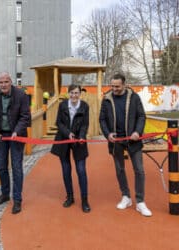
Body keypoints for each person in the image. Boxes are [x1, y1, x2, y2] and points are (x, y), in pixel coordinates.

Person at [99, 73, 152, 217]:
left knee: (139, 170)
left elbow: (141, 115)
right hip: (116, 142)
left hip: (133, 140)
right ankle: (126, 196)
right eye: (112, 86)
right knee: (119, 169)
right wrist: (108, 134)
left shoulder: (134, 97)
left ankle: (140, 201)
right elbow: (102, 119)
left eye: (117, 86)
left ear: (124, 84)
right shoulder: (106, 99)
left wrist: (137, 131)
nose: (114, 89)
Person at [0, 72, 31, 214]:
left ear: (11, 82)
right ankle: (5, 194)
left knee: (16, 167)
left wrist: (17, 131)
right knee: (2, 166)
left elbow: (25, 116)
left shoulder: (21, 95)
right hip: (0, 136)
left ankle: (17, 199)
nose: (3, 84)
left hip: (16, 135)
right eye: (0, 82)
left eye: (6, 81)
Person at [51, 84, 91, 213]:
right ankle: (70, 196)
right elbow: (59, 122)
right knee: (66, 170)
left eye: (76, 93)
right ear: (68, 93)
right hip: (64, 139)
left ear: (80, 94)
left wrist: (81, 136)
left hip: (79, 141)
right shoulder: (63, 105)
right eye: (72, 93)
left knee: (81, 170)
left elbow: (85, 124)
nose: (74, 95)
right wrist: (68, 133)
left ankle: (84, 200)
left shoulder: (84, 106)